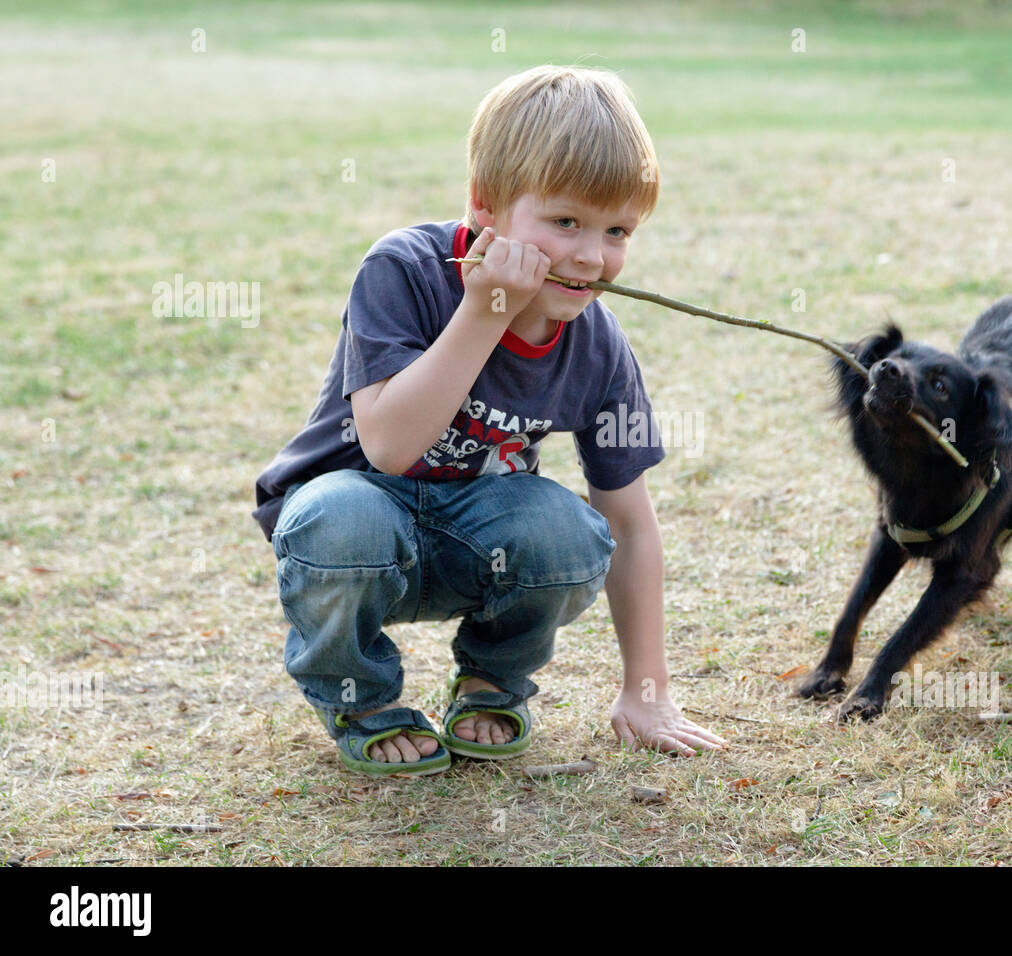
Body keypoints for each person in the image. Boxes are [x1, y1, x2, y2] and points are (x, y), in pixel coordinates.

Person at [251, 65, 726, 775]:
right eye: (565, 222)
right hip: (355, 532)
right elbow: (388, 446)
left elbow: (629, 526)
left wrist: (646, 690)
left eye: (618, 230)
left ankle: (490, 682)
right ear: (486, 210)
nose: (593, 257)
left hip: (472, 544)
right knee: (340, 520)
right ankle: (362, 697)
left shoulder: (597, 346)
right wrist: (486, 310)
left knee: (567, 534)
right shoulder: (404, 270)